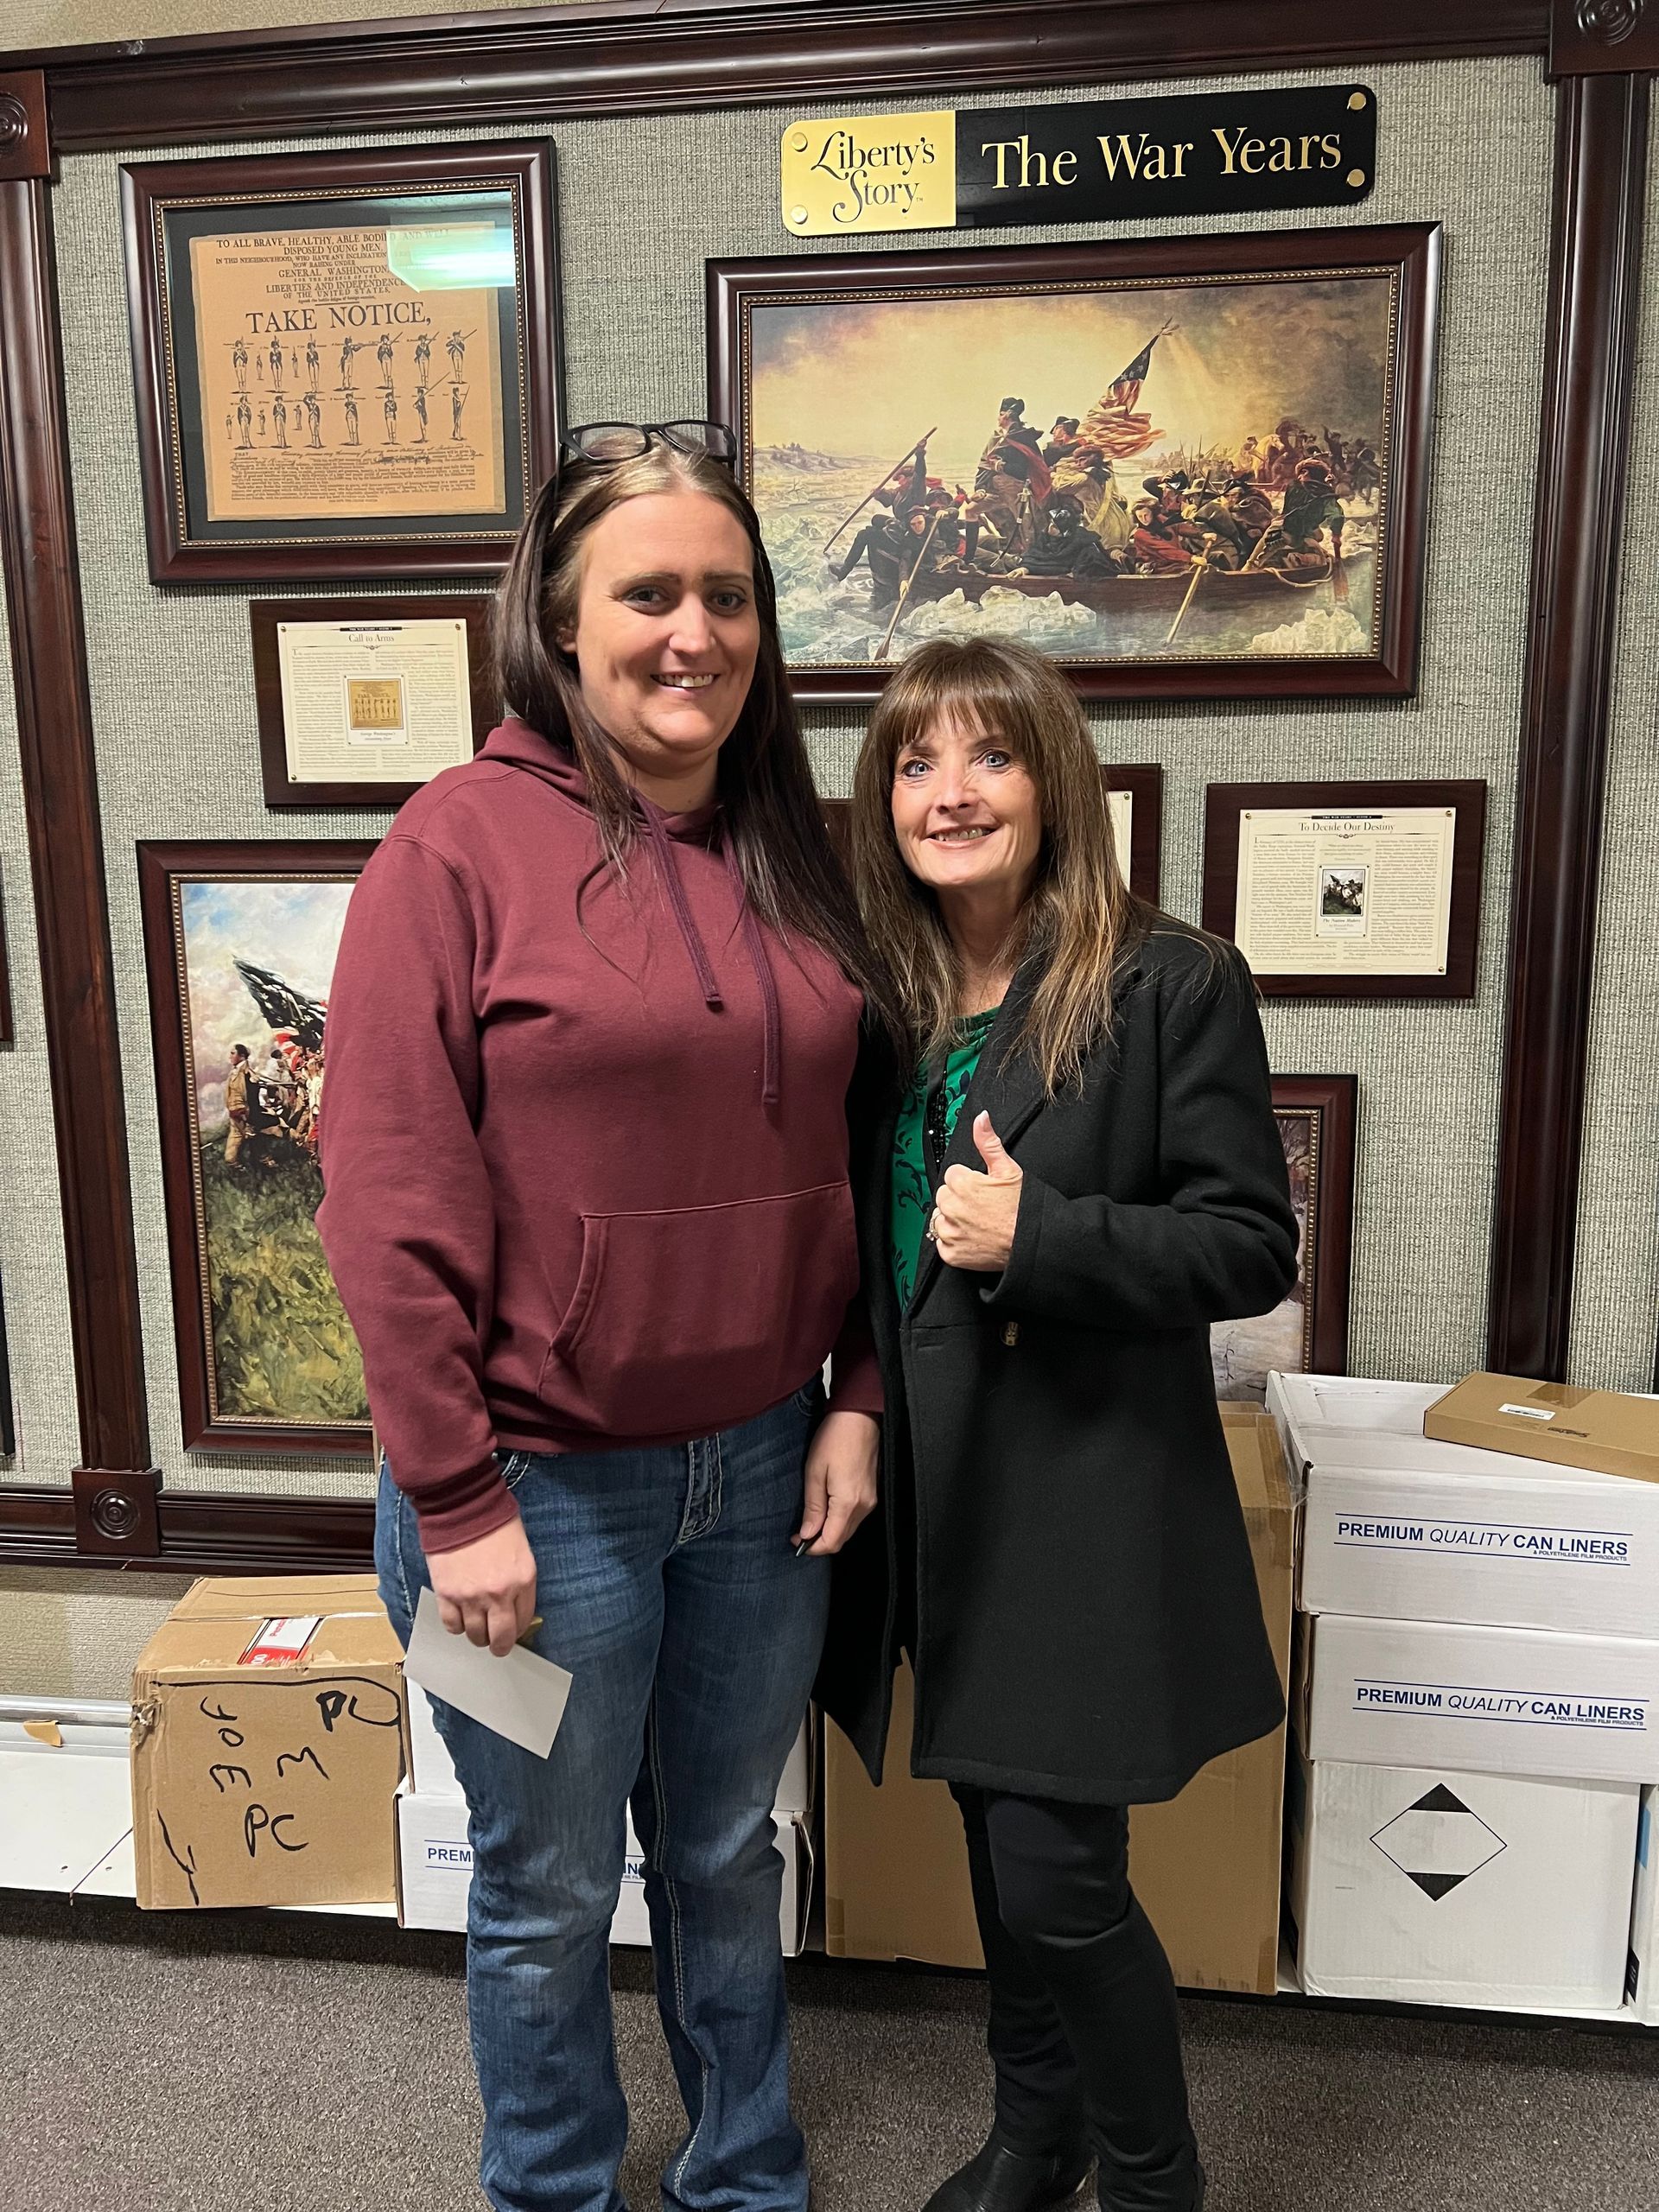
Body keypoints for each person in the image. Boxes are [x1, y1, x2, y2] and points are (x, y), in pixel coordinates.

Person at [316, 418, 897, 2212]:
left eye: (728, 593)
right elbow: (388, 1202)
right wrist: (461, 1495)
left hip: (763, 1473)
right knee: (548, 1884)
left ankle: (746, 2173)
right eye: (648, 591)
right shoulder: (455, 848)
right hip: (534, 1500)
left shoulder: (802, 844)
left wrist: (858, 1391)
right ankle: (552, 2183)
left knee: (728, 1846)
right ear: (560, 623)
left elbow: (875, 1149)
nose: (692, 631)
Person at [822, 636, 1298, 2212]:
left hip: (1081, 1497)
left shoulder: (1172, 978)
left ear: (1055, 779)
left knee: (1057, 1875)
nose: (950, 794)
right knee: (996, 1841)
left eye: (991, 757)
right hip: (934, 1496)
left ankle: (1156, 2181)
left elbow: (1249, 1248)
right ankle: (1038, 2138)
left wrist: (1050, 1240)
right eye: (915, 762)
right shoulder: (882, 992)